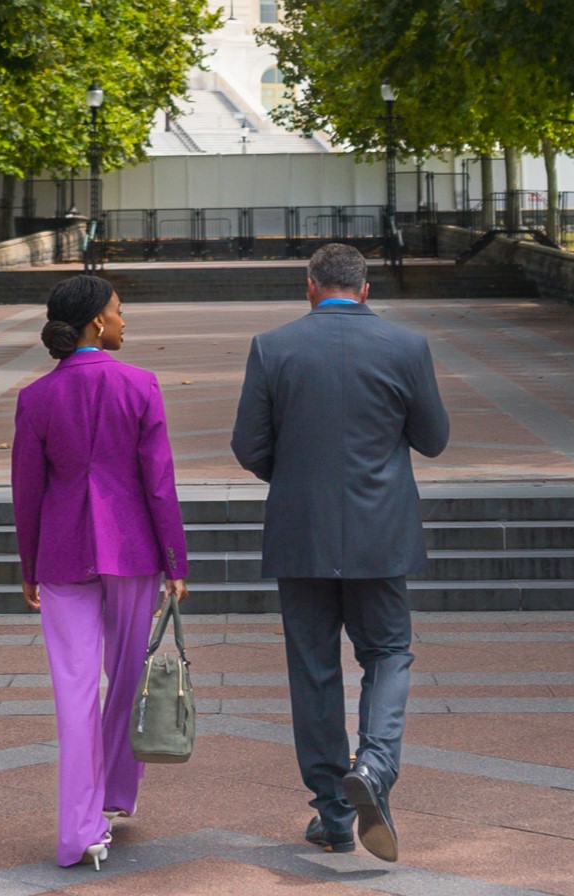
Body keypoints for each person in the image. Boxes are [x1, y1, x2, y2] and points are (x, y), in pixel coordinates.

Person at [231, 243, 449, 862]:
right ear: (365, 289)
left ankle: (331, 812)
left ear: (310, 287)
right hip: (381, 531)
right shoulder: (406, 347)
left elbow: (249, 445)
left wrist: (297, 474)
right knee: (387, 652)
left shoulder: (273, 347)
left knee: (314, 666)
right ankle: (375, 766)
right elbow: (433, 439)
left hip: (301, 531)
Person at [11, 274, 189, 871]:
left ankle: (80, 829)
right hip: (133, 550)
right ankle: (114, 795)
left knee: (74, 691)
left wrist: (28, 563)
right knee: (128, 674)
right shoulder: (139, 384)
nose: (122, 319)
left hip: (61, 553)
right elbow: (158, 482)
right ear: (94, 323)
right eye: (117, 311)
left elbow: (26, 490)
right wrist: (175, 560)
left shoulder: (35, 396)